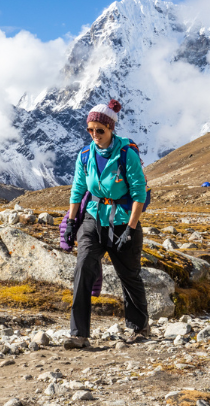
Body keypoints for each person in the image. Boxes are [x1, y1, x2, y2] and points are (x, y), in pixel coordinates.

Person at [63, 99, 149, 349]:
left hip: (123, 221)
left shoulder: (126, 154)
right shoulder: (85, 154)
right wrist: (70, 223)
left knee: (129, 275)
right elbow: (78, 189)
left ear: (111, 129)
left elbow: (139, 194)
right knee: (83, 268)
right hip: (93, 217)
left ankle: (139, 327)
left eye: (99, 130)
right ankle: (78, 333)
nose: (95, 135)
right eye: (90, 130)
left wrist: (131, 230)